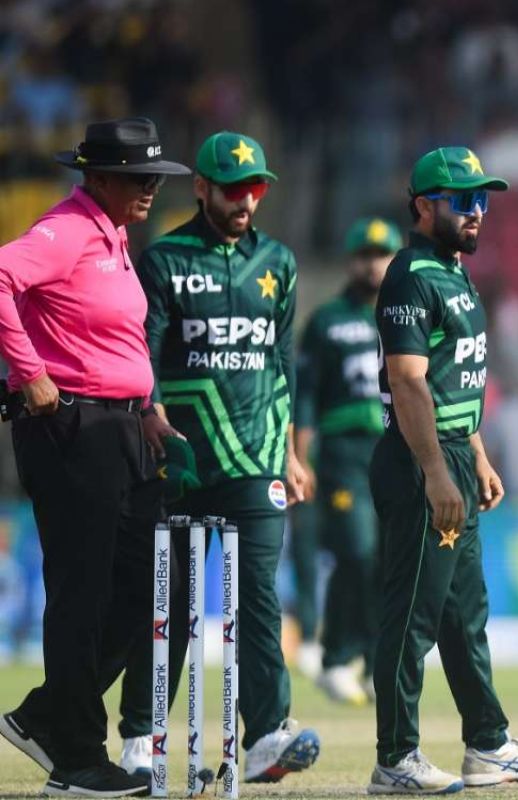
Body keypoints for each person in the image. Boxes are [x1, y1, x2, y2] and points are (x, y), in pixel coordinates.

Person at [115, 130, 320, 783]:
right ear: (200, 187)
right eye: (233, 189)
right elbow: (140, 356)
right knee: (167, 605)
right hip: (182, 459)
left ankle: (264, 736)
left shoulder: (279, 263)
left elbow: (281, 361)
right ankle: (141, 738)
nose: (245, 201)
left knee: (258, 595)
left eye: (256, 189)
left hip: (257, 459)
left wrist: (291, 451)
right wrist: (155, 426)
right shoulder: (165, 260)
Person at [0, 117, 190, 797]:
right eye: (138, 179)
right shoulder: (67, 230)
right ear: (99, 178)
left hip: (126, 428)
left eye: (155, 179)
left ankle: (50, 714)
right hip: (72, 426)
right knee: (83, 590)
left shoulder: (114, 234)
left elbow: (111, 337)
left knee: (157, 588)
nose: (149, 190)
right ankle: (78, 756)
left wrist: (147, 406)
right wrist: (28, 373)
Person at [368, 146, 518, 794]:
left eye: (483, 199)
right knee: (413, 617)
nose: (478, 212)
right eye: (462, 200)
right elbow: (407, 382)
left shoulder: (455, 273)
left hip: (452, 454)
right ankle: (395, 758)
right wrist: (435, 471)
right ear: (424, 205)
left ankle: (488, 745)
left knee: (463, 616)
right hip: (419, 459)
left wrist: (475, 455)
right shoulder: (411, 276)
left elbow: (459, 381)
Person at [294, 216, 403, 705]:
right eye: (365, 255)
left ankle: (377, 662)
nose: (373, 264)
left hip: (394, 449)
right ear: (351, 261)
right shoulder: (327, 320)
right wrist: (301, 455)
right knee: (356, 551)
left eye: (382, 255)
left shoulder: (406, 315)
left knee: (386, 558)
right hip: (341, 452)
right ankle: (336, 656)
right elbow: (306, 395)